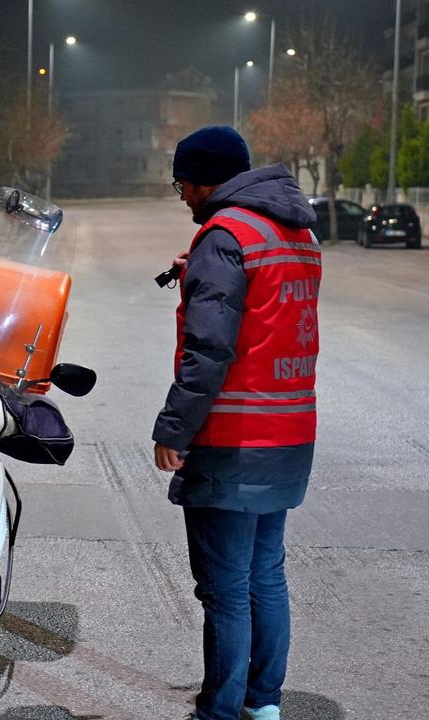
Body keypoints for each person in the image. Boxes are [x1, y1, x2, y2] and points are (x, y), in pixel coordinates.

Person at [152, 125, 320, 720]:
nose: (181, 197)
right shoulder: (295, 231)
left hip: (233, 435)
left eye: (182, 184)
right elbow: (267, 310)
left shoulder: (224, 236)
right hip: (290, 428)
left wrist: (174, 429)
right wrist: (200, 266)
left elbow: (210, 351)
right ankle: (262, 703)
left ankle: (218, 712)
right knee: (265, 575)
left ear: (205, 182)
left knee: (225, 589)